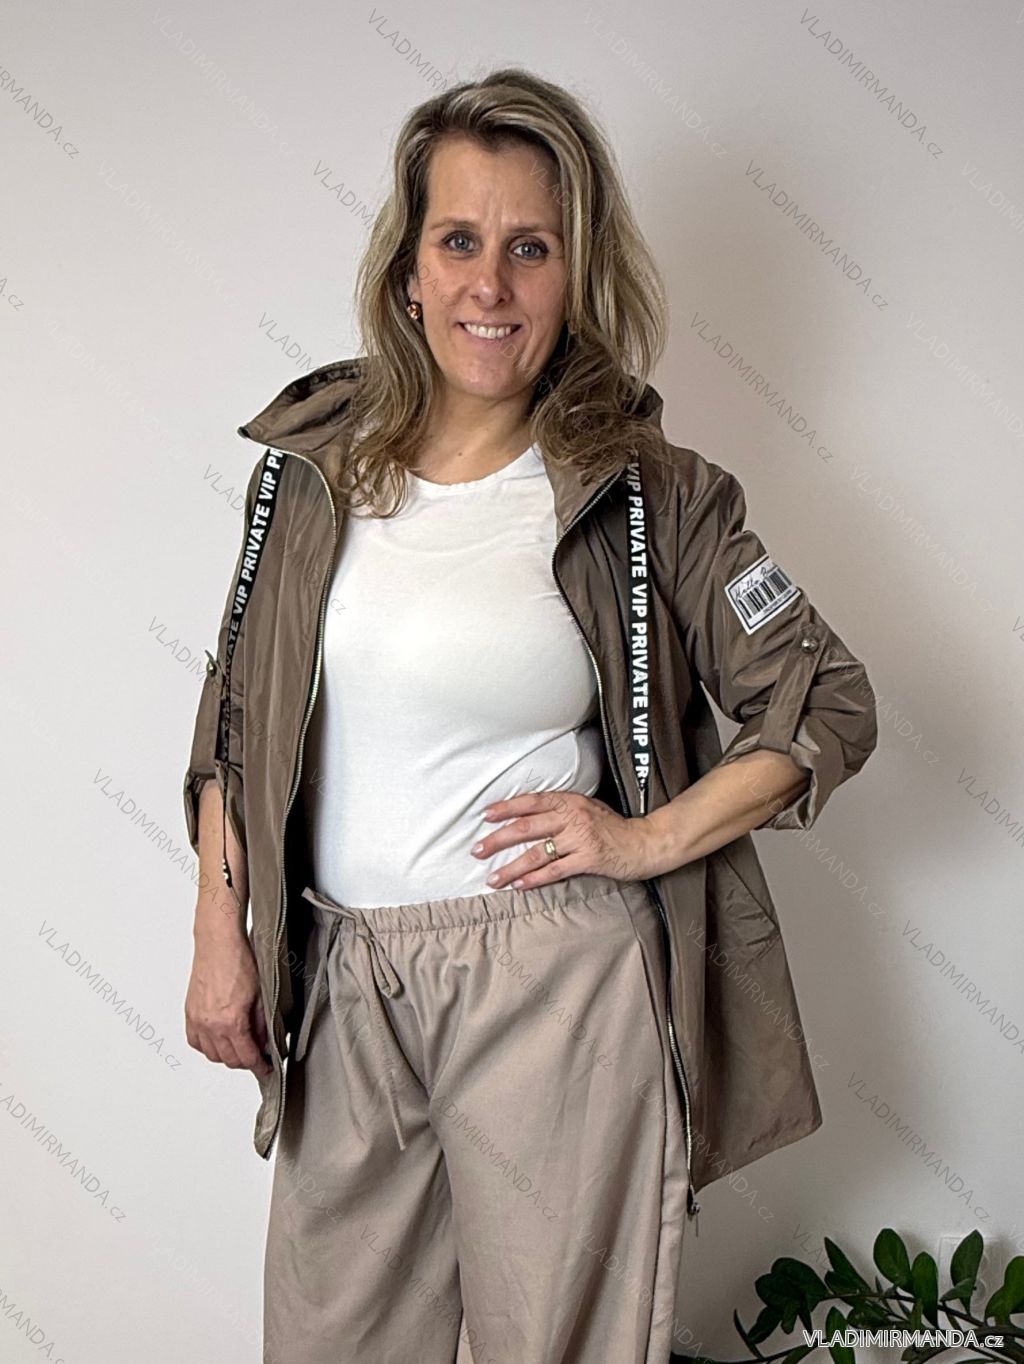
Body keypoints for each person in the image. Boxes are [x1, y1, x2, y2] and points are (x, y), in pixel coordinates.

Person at [181, 66, 877, 1364]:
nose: (489, 285)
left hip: (553, 986)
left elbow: (822, 696)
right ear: (408, 269)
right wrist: (221, 929)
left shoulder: (648, 492)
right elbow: (235, 714)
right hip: (346, 977)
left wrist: (646, 839)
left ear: (577, 273)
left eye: (531, 248)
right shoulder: (314, 472)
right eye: (459, 241)